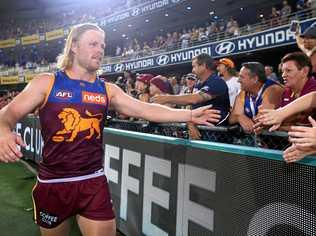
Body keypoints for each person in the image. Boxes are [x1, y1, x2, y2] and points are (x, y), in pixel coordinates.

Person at [0, 23, 221, 236]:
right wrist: (3, 131)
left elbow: (145, 109)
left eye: (102, 46)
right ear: (74, 46)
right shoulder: (46, 83)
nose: (100, 50)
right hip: (53, 183)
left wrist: (189, 114)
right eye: (93, 44)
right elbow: (6, 115)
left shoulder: (108, 89)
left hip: (93, 181)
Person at [151, 53, 230, 139]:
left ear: (203, 65)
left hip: (217, 132)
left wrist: (167, 98)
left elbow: (195, 99)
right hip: (201, 130)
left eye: (194, 66)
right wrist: (190, 122)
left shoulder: (217, 82)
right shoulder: (198, 84)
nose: (192, 70)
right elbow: (193, 107)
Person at [229, 62, 283, 133]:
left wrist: (242, 117)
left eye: (242, 77)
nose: (238, 80)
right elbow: (231, 119)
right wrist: (240, 117)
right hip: (261, 138)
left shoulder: (273, 90)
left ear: (255, 79)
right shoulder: (243, 92)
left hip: (281, 139)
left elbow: (262, 121)